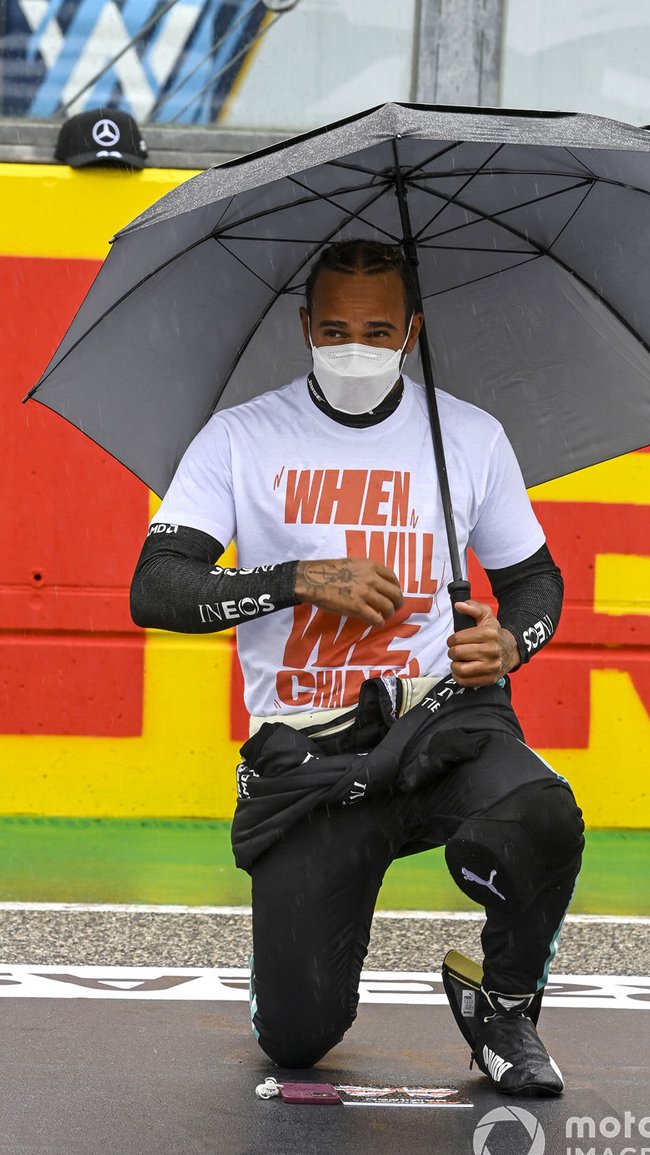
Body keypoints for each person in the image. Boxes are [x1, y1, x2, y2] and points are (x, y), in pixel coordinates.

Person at [130, 239, 584, 1097]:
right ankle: (300, 979)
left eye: (378, 331)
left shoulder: (469, 436)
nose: (355, 348)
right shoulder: (240, 437)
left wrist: (512, 641)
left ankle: (506, 1008)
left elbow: (534, 581)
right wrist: (297, 579)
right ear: (304, 326)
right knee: (298, 1042)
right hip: (310, 754)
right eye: (334, 328)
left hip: (439, 719)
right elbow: (156, 588)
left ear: (411, 332)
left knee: (542, 818)